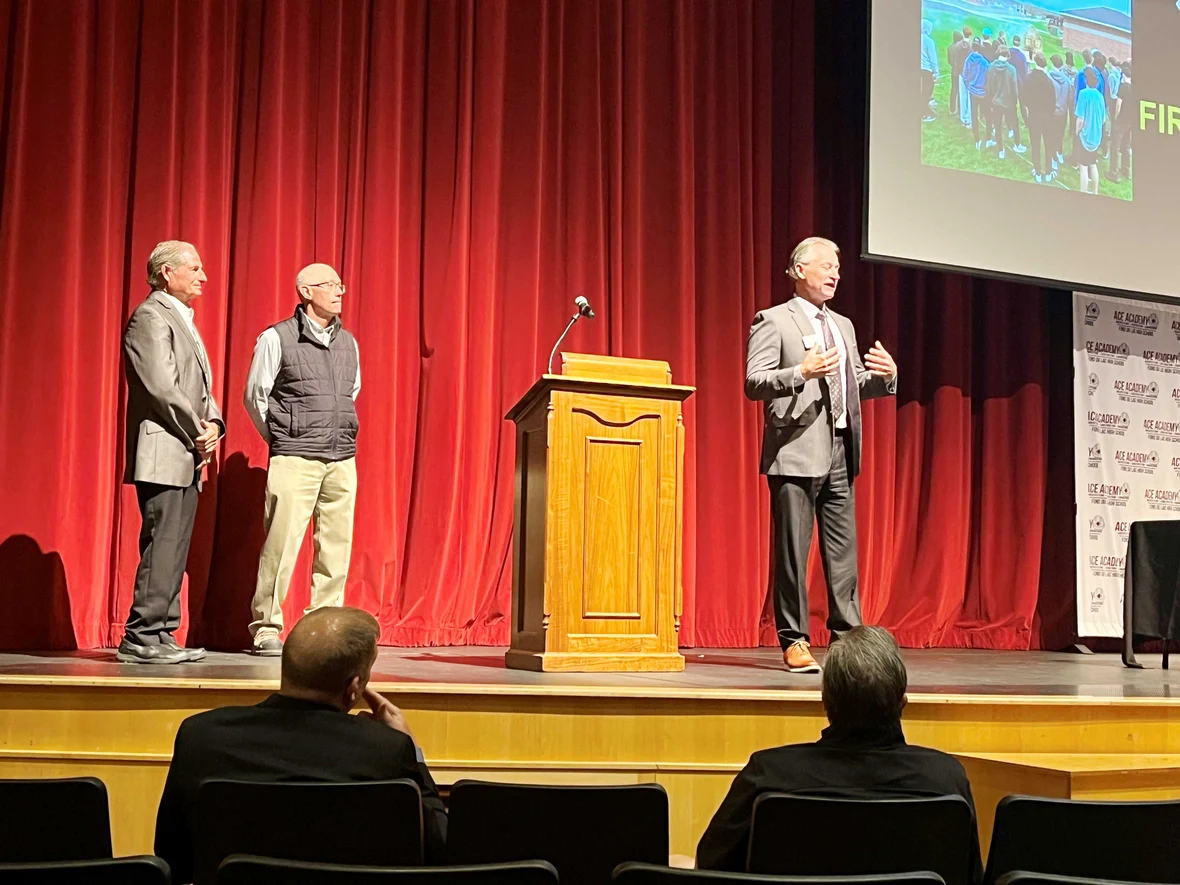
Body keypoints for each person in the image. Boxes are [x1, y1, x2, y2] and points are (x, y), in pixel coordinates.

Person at [154, 607, 447, 882]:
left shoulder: (202, 735)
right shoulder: (386, 750)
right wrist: (413, 751)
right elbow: (438, 848)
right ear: (354, 687)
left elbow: (173, 854)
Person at [696, 626, 981, 880]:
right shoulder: (945, 780)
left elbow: (711, 865)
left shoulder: (768, 773)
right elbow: (969, 876)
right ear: (903, 702)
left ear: (825, 700)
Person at [744, 238, 897, 673]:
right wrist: (801, 372)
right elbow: (754, 382)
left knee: (842, 552)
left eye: (838, 268)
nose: (834, 274)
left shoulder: (843, 325)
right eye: (826, 266)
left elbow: (851, 384)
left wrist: (885, 378)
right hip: (794, 450)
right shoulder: (773, 321)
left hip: (840, 449)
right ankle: (794, 640)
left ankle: (850, 641)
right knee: (794, 550)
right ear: (798, 270)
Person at [244, 263, 361, 655]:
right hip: (295, 457)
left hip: (341, 457)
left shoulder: (349, 342)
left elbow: (352, 391)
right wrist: (282, 437)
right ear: (306, 292)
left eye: (340, 284)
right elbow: (255, 396)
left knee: (335, 547)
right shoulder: (276, 338)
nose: (339, 291)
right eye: (330, 285)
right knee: (281, 544)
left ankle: (323, 629)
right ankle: (265, 627)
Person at [119, 241, 224, 664]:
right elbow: (161, 386)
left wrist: (214, 422)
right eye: (195, 268)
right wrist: (198, 430)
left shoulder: (181, 319)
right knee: (162, 542)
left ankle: (162, 632)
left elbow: (202, 388)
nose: (203, 277)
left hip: (187, 448)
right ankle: (141, 634)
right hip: (164, 447)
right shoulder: (149, 316)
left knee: (176, 545)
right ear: (166, 273)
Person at [1023, 53, 1057, 183]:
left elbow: (1025, 99)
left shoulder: (1028, 78)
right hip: (1047, 118)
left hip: (1034, 116)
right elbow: (1053, 103)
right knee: (1048, 145)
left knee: (1035, 144)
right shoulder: (1048, 82)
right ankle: (1048, 172)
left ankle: (1037, 171)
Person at [985, 46, 1024, 158]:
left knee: (997, 126)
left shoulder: (991, 67)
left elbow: (989, 85)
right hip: (1009, 102)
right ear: (1008, 56)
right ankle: (1017, 144)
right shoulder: (1011, 69)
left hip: (995, 101)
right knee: (1014, 124)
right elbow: (1014, 88)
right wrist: (1015, 100)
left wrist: (992, 98)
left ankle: (1000, 150)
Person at [1075, 66, 1108, 195]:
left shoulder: (1083, 94)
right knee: (1093, 165)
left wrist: (1077, 132)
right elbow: (1104, 119)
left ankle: (1083, 194)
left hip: (1085, 137)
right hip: (1096, 138)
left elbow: (1080, 120)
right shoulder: (1100, 96)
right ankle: (1095, 193)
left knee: (1083, 167)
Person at [1047, 54, 1072, 174]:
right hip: (1063, 113)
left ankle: (1053, 158)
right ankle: (1060, 153)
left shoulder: (1049, 78)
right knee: (1060, 134)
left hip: (1052, 113)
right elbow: (1069, 98)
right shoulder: (1067, 80)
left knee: (1051, 136)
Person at [1109, 60, 1133, 183]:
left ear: (1123, 75)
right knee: (1126, 146)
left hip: (1122, 120)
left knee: (1115, 147)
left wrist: (1115, 118)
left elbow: (1118, 104)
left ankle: (1113, 173)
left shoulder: (1123, 86)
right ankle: (1126, 170)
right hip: (1131, 121)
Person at [961, 47, 991, 146]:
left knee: (974, 115)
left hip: (972, 92)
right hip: (983, 93)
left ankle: (977, 140)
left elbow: (964, 75)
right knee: (988, 116)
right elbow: (989, 77)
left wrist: (968, 86)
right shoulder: (984, 62)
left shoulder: (968, 60)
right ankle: (988, 138)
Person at [920, 19, 939, 122]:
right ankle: (924, 113)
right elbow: (933, 58)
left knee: (921, 91)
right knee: (926, 92)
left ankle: (923, 110)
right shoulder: (928, 41)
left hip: (918, 69)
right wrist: (936, 72)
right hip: (927, 70)